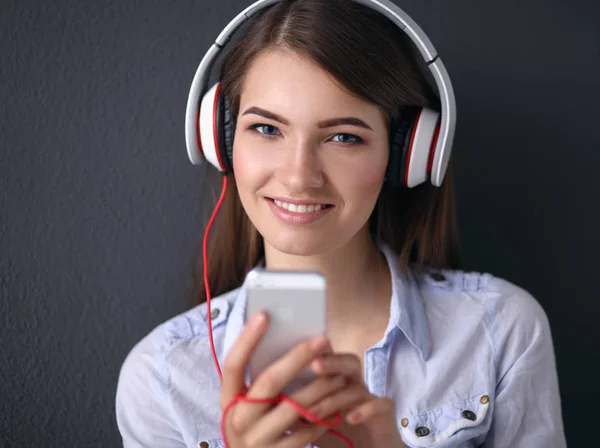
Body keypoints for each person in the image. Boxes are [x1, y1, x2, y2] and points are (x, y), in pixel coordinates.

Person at [115, 0, 566, 447]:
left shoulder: (500, 331)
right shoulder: (163, 377)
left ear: (407, 156)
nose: (298, 176)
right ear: (221, 140)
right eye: (267, 129)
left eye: (343, 137)